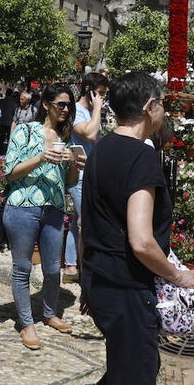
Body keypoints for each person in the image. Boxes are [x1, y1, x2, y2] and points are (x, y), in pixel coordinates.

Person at [38, 72, 194, 385]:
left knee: (134, 368)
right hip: (130, 289)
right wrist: (181, 277)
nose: (164, 109)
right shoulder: (142, 157)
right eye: (162, 102)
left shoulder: (102, 148)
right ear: (150, 107)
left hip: (104, 283)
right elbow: (142, 241)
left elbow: (87, 222)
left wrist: (90, 283)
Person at [3, 82, 84, 350]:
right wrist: (41, 158)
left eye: (68, 105)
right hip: (23, 207)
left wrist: (74, 164)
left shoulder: (66, 138)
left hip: (54, 208)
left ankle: (49, 313)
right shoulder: (26, 131)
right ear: (46, 104)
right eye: (61, 104)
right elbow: (11, 172)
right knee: (22, 268)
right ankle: (26, 323)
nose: (65, 109)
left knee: (52, 268)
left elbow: (70, 182)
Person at [67, 73, 108, 282]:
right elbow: (90, 135)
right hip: (79, 173)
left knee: (78, 219)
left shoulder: (91, 112)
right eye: (99, 93)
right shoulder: (77, 111)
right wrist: (98, 108)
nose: (102, 98)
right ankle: (86, 268)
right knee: (86, 220)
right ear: (88, 91)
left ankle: (72, 265)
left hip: (91, 171)